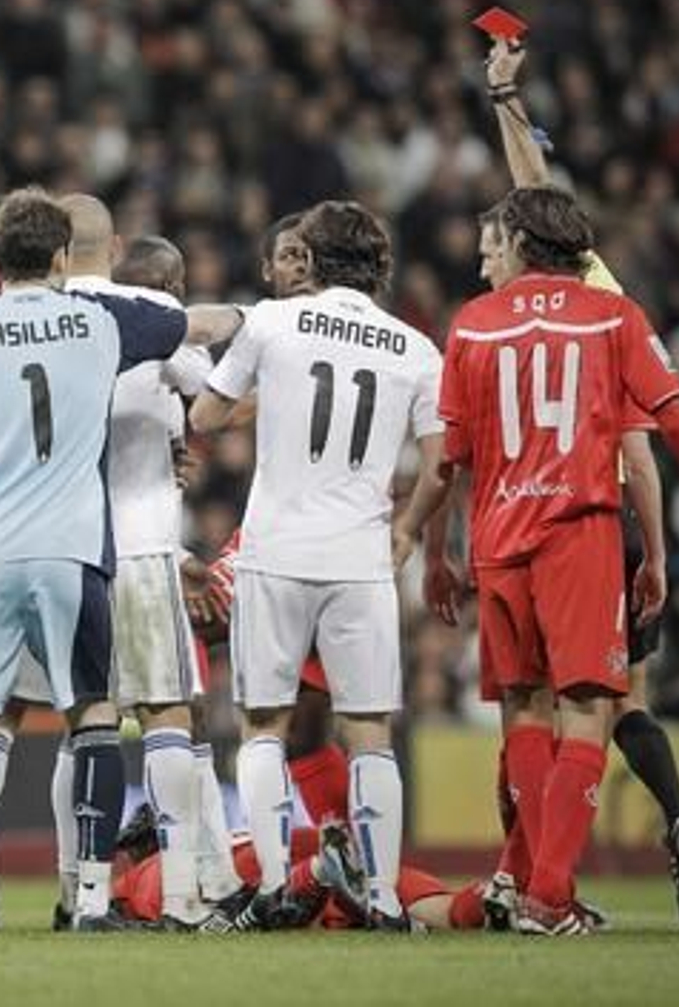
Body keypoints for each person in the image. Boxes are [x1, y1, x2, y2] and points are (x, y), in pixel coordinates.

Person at [0, 187, 244, 931]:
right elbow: (205, 324)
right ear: (62, 257)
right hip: (74, 549)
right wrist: (256, 318)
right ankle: (94, 896)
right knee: (93, 718)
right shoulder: (103, 320)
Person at [432, 34, 679, 928]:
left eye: (496, 242)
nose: (487, 252)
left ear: (522, 246)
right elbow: (646, 448)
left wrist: (505, 101)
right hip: (592, 523)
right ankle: (605, 854)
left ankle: (529, 881)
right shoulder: (607, 303)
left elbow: (452, 453)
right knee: (603, 703)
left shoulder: (487, 317)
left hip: (519, 526)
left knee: (538, 710)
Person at [192, 200, 450, 931]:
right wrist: (407, 532)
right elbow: (441, 466)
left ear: (310, 259)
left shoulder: (273, 323)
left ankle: (278, 884)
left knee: (262, 725)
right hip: (361, 559)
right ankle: (384, 895)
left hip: (274, 550)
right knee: (369, 732)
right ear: (380, 266)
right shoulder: (415, 348)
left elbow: (205, 417)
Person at [58, 195, 228, 929]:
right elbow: (215, 394)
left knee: (83, 726)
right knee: (167, 714)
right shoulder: (150, 312)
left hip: (61, 546)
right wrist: (172, 436)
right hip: (139, 541)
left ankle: (74, 890)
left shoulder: (25, 319)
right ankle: (186, 893)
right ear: (116, 246)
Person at [110, 807, 490, 933]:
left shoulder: (151, 871)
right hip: (290, 847)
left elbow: (103, 905)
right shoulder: (220, 834)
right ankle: (496, 896)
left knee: (258, 922)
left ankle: (321, 871)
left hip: (246, 876)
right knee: (449, 912)